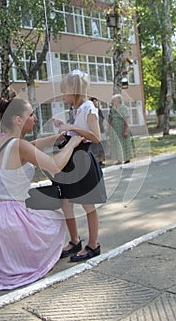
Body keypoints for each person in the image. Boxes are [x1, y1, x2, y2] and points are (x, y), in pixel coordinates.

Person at [0, 96, 83, 291]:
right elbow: (54, 166)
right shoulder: (19, 145)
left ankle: (10, 259)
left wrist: (56, 138)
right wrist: (71, 144)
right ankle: (26, 259)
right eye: (31, 115)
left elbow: (30, 146)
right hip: (8, 221)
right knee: (56, 219)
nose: (35, 119)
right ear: (18, 120)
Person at [52, 69, 107, 262]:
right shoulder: (77, 109)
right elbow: (78, 133)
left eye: (65, 92)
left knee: (87, 205)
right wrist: (65, 128)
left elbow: (96, 137)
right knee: (66, 202)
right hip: (71, 158)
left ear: (74, 91)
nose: (63, 96)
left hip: (82, 159)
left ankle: (93, 245)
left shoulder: (89, 108)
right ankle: (75, 241)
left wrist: (71, 128)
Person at [107, 94, 134, 164]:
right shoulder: (112, 109)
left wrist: (125, 131)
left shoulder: (123, 108)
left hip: (122, 129)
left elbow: (127, 119)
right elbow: (110, 119)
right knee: (116, 144)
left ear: (118, 101)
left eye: (114, 100)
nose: (113, 102)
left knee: (124, 144)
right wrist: (109, 129)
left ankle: (127, 159)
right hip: (115, 130)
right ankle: (119, 159)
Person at [89, 97, 105, 165]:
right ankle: (96, 161)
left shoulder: (99, 111)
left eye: (96, 102)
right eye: (94, 102)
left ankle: (101, 159)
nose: (95, 103)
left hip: (100, 130)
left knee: (101, 146)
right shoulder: (90, 111)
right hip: (93, 131)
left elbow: (101, 119)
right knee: (94, 146)